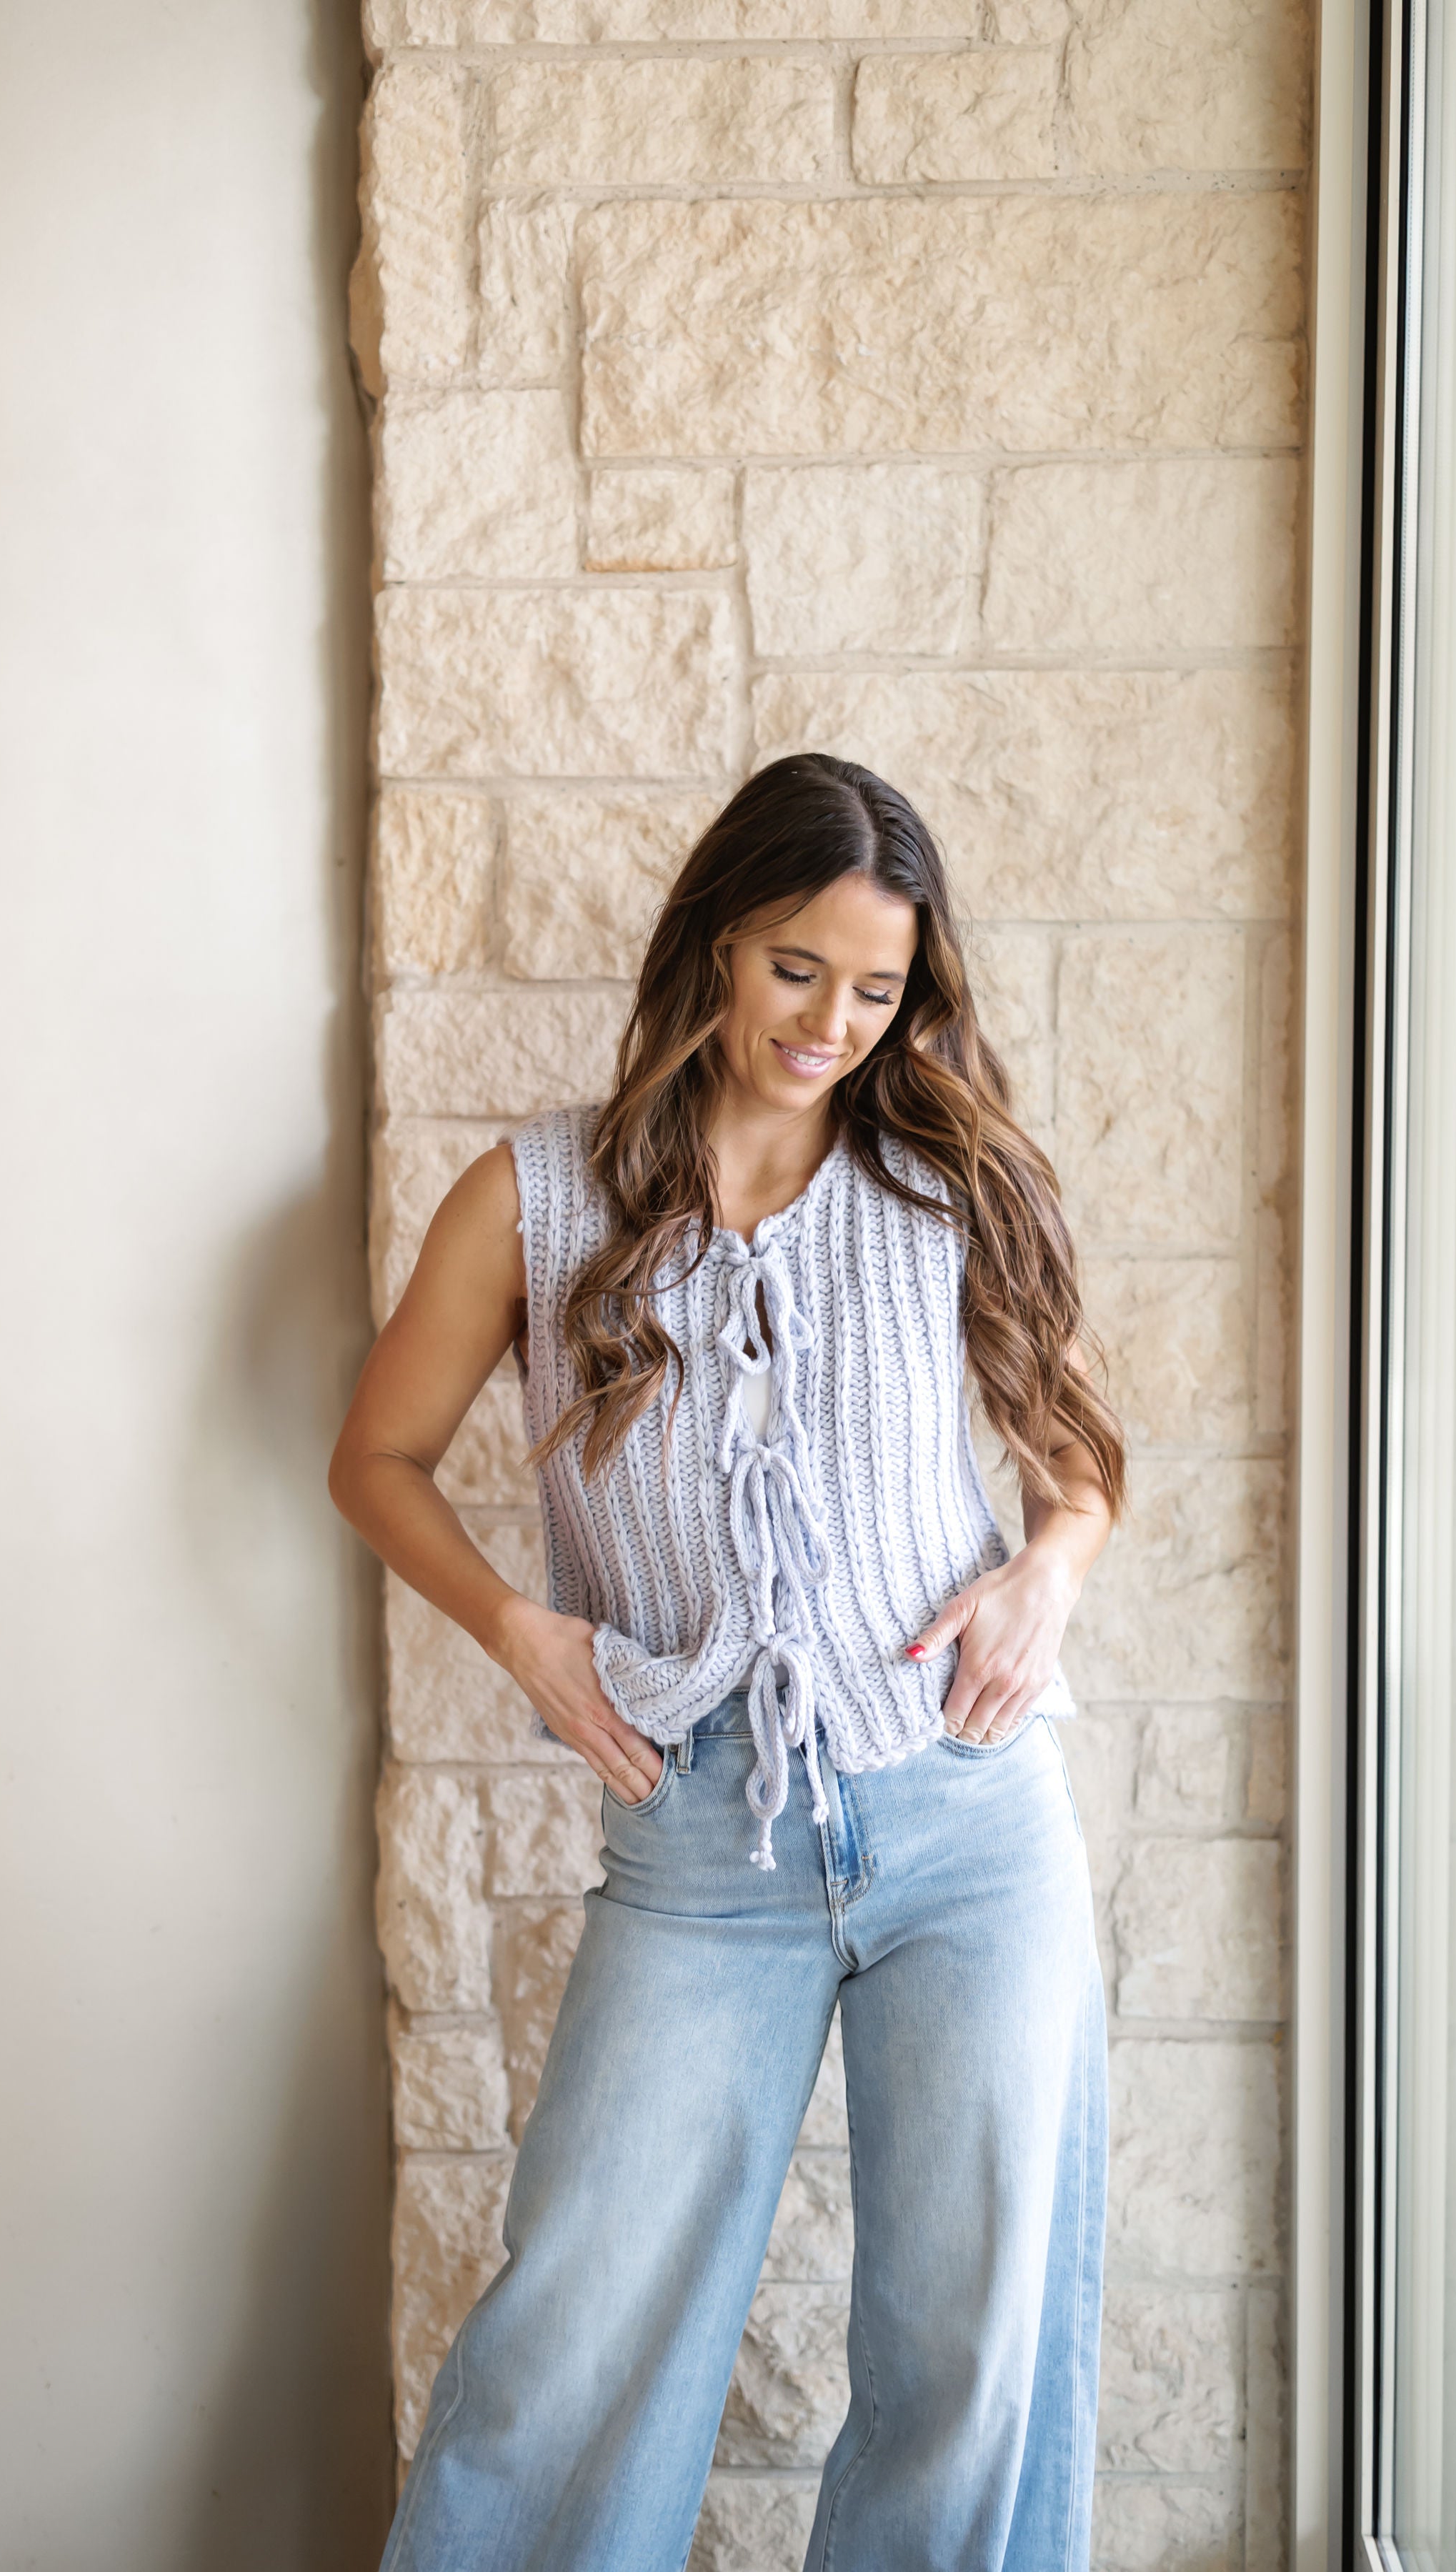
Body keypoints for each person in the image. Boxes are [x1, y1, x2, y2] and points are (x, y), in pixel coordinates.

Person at [329, 753, 1126, 2572]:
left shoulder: (949, 1181)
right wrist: (522, 1631)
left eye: (875, 989)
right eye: (794, 969)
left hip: (970, 1824)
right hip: (702, 1850)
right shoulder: (537, 1202)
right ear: (712, 941)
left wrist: (1049, 1577)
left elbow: (1078, 1462)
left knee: (970, 2346)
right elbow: (373, 1462)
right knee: (581, 2331)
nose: (831, 1024)